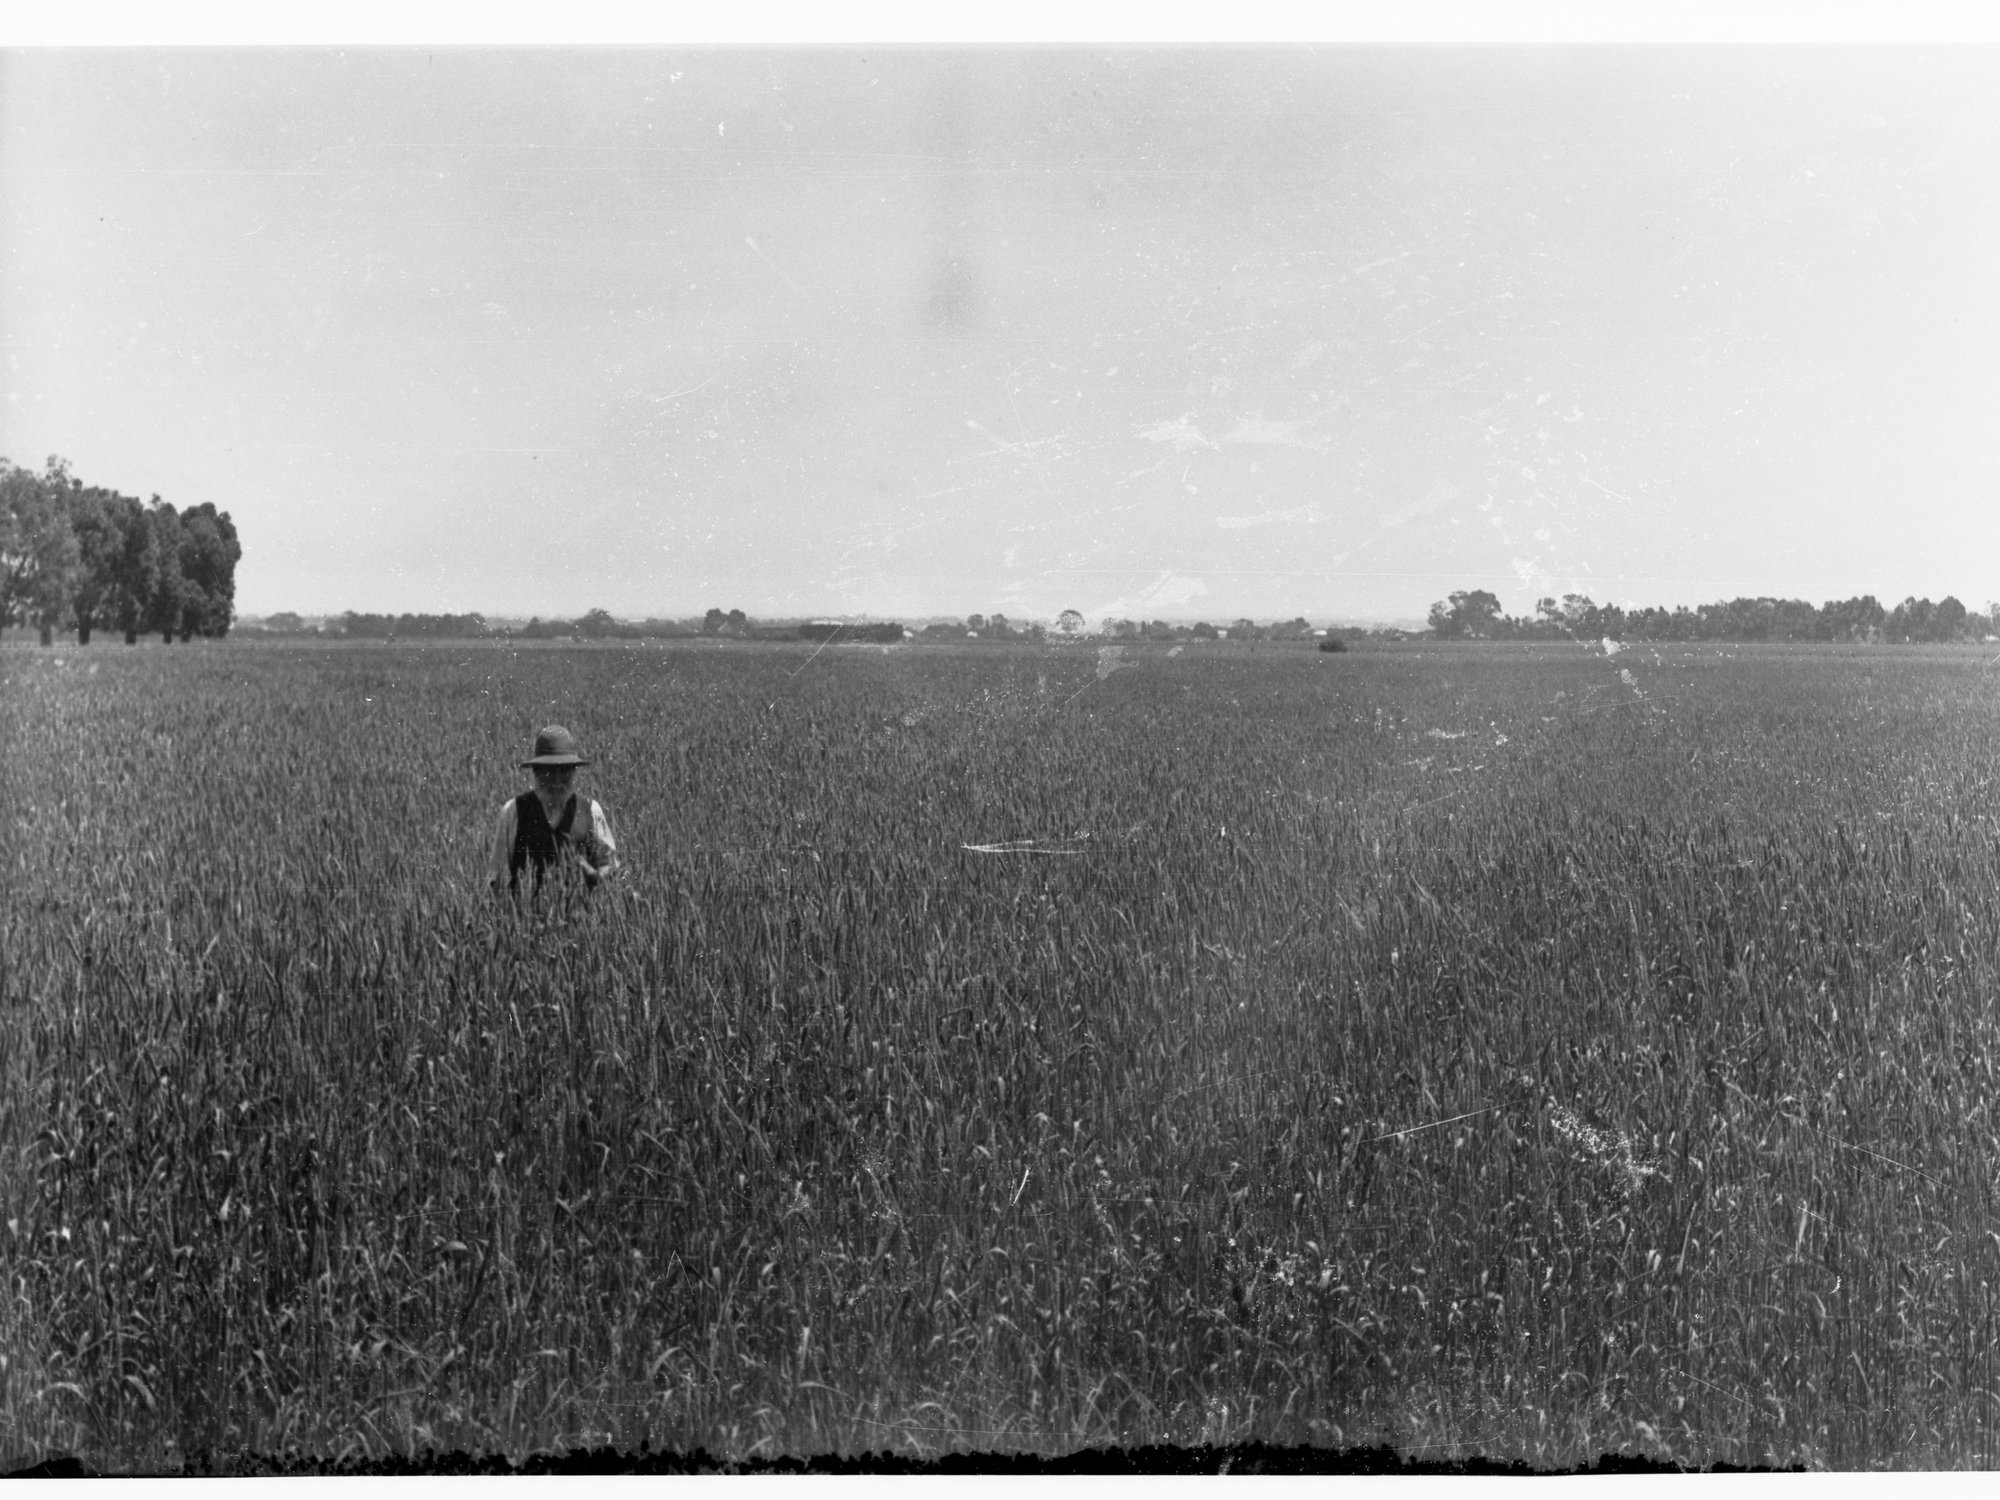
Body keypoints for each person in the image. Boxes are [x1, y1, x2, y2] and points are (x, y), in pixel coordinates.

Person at [489, 724, 620, 900]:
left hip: (581, 921)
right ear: (535, 772)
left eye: (564, 771)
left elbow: (610, 866)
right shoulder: (513, 812)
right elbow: (496, 878)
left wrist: (594, 875)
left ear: (574, 772)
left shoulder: (591, 810)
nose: (557, 781)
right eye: (549, 772)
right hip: (525, 922)